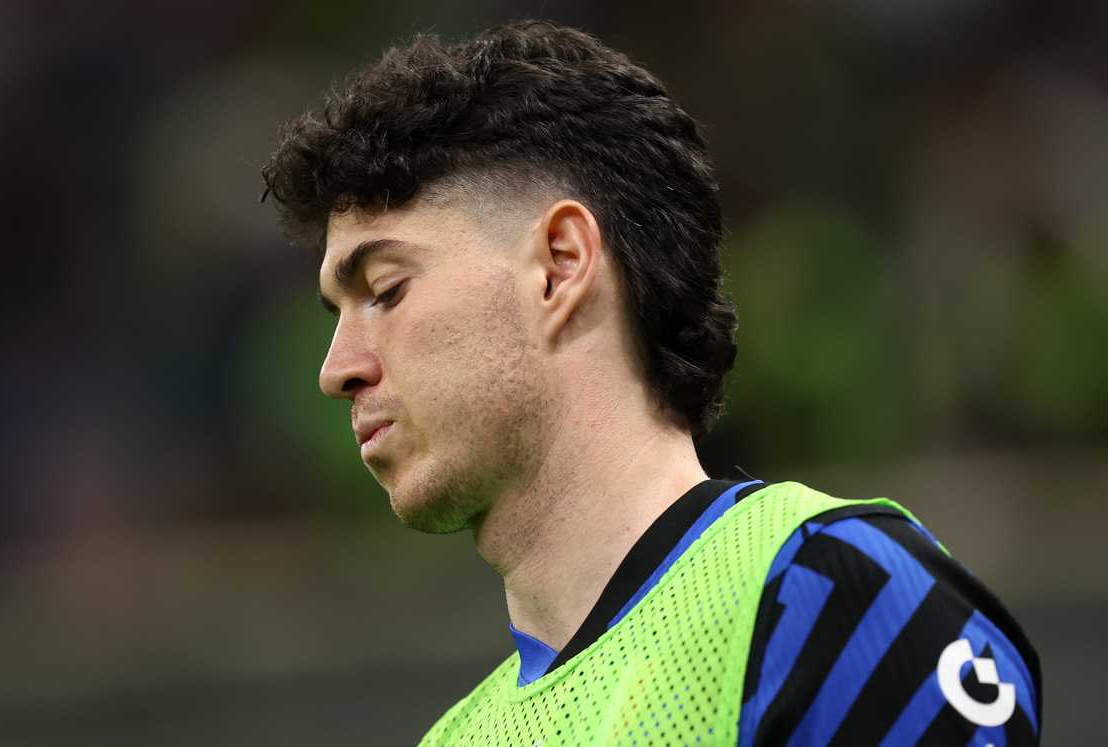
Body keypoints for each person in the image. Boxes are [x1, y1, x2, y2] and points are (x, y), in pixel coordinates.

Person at [261, 20, 1042, 746]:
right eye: (339, 312)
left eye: (388, 290)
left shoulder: (831, 596)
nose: (337, 369)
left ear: (561, 266)